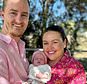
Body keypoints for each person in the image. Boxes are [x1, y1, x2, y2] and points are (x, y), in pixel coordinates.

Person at [0, 0, 29, 83]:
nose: (19, 20)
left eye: (24, 15)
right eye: (13, 13)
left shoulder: (21, 45)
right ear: (2, 15)